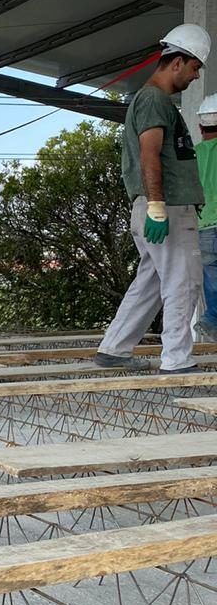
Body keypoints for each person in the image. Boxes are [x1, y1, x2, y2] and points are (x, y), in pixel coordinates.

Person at [95, 23, 210, 373]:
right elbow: (150, 154)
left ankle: (114, 349)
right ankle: (176, 359)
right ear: (177, 62)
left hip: (155, 207)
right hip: (168, 208)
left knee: (151, 282)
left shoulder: (150, 101)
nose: (195, 77)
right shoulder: (155, 100)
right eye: (194, 69)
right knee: (183, 282)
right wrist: (158, 206)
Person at [195, 93, 217, 341]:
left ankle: (212, 320)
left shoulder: (193, 155)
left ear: (201, 126)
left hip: (204, 226)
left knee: (212, 277)